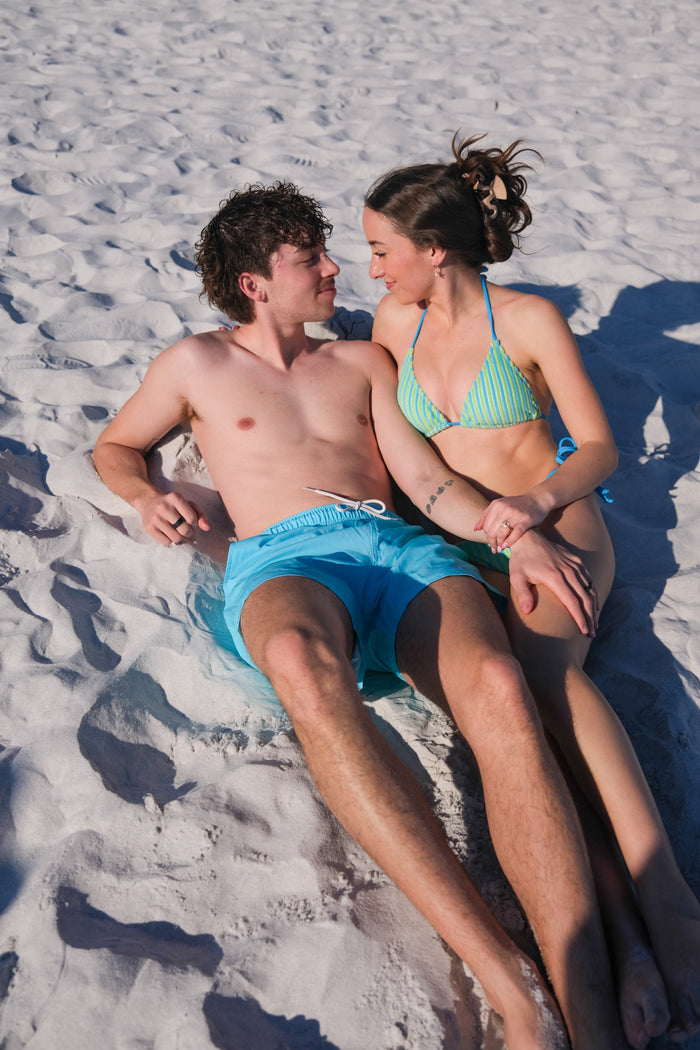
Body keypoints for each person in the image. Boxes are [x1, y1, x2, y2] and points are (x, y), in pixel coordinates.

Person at [92, 182, 631, 1050]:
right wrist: (143, 491)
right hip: (286, 557)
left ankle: (592, 1011)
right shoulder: (195, 363)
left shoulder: (361, 362)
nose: (337, 267)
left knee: (497, 680)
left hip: (395, 547)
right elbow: (114, 445)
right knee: (305, 667)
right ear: (255, 282)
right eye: (312, 257)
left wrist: (518, 533)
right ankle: (512, 986)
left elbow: (427, 484)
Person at [363, 135, 700, 1048]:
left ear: (436, 249)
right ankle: (624, 937)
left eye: (382, 248)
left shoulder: (529, 324)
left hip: (554, 520)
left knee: (550, 681)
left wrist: (537, 505)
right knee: (518, 727)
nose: (371, 266)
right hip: (464, 540)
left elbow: (599, 447)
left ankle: (665, 897)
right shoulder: (395, 327)